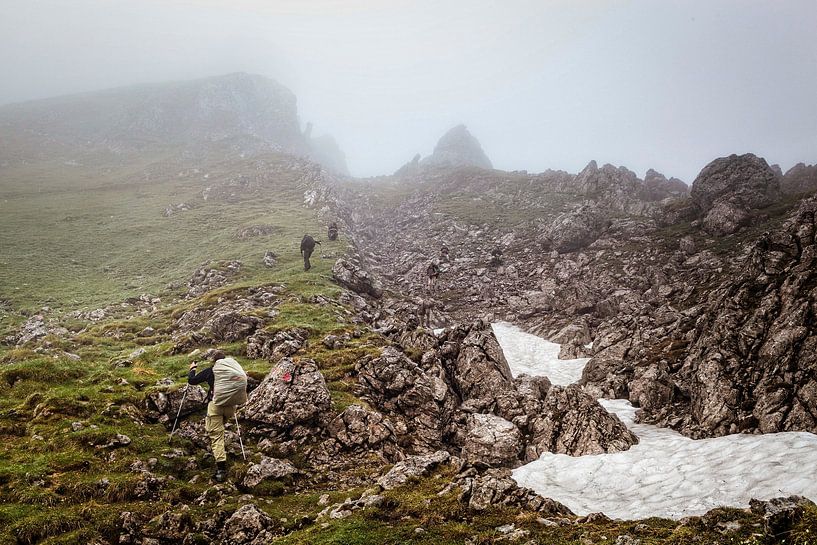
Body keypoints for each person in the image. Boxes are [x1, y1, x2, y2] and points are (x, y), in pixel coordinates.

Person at [188, 350, 248, 483]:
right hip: (231, 407)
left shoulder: (211, 371)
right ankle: (225, 450)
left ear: (214, 362)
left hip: (216, 406)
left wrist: (192, 369)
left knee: (216, 436)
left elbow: (192, 381)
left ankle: (221, 470)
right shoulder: (231, 371)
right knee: (220, 429)